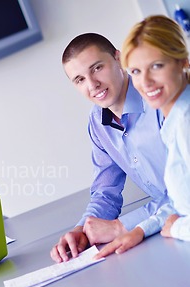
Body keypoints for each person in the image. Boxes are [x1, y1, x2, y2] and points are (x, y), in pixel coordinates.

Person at [50, 33, 170, 263]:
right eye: (79, 79)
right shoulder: (98, 123)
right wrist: (83, 230)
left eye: (97, 68)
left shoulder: (161, 99)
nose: (92, 84)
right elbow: (106, 192)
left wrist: (120, 226)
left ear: (118, 58)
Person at [102, 16, 190, 250]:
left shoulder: (186, 123)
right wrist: (142, 229)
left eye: (157, 66)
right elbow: (185, 203)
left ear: (183, 61)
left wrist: (176, 229)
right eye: (136, 71)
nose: (145, 82)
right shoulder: (174, 120)